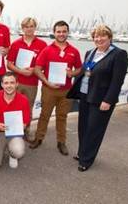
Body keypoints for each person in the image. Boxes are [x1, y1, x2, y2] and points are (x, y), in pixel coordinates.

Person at [67, 25, 128, 171]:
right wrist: (71, 73)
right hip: (85, 95)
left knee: (94, 129)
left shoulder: (119, 54)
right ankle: (82, 152)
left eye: (102, 36)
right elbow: (84, 71)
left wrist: (108, 100)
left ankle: (86, 160)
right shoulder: (90, 52)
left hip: (101, 99)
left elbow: (117, 81)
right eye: (96, 36)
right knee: (83, 127)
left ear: (109, 37)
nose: (99, 39)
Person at [29, 21, 82, 155]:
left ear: (67, 32)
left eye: (64, 31)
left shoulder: (74, 51)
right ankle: (38, 138)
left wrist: (73, 73)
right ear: (54, 33)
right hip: (49, 89)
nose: (61, 34)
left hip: (66, 90)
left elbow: (80, 69)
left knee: (62, 117)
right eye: (58, 31)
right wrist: (47, 82)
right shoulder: (47, 50)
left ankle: (61, 142)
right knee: (44, 115)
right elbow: (37, 69)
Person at [7, 17, 47, 141]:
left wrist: (34, 70)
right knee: (13, 107)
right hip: (16, 82)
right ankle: (12, 132)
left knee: (27, 108)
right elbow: (9, 64)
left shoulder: (42, 45)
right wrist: (21, 71)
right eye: (26, 26)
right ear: (22, 28)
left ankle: (26, 131)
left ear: (35, 27)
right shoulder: (16, 44)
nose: (29, 29)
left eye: (31, 26)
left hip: (32, 83)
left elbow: (44, 66)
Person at [0, 72, 31, 170]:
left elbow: (25, 122)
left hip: (14, 134)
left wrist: (18, 127)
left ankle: (12, 155)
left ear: (17, 84)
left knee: (18, 151)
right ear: (2, 84)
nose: (9, 86)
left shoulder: (23, 100)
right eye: (6, 83)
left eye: (12, 82)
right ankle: (2, 148)